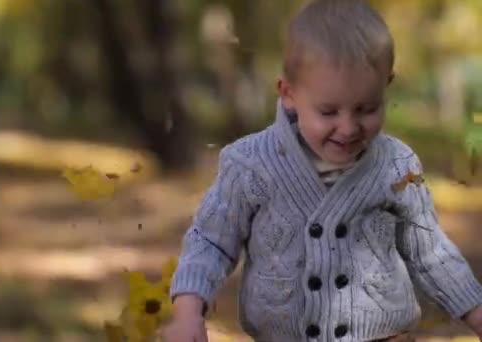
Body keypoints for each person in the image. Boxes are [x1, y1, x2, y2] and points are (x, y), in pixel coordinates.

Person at [162, 0, 482, 341]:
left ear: (386, 87)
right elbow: (211, 241)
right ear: (288, 93)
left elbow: (430, 251)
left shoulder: (397, 166)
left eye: (367, 109)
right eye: (328, 111)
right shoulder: (250, 164)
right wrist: (188, 312)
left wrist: (476, 312)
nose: (348, 128)